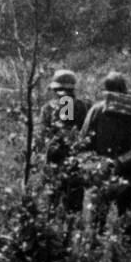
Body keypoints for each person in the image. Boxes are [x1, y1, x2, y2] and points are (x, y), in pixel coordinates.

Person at [79, 72, 131, 251]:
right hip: (127, 167)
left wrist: (91, 164)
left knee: (98, 214)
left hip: (102, 168)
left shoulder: (96, 109)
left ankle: (93, 251)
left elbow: (84, 139)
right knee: (127, 210)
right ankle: (130, 251)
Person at [40, 69, 91, 217]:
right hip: (76, 157)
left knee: (53, 200)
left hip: (59, 157)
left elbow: (64, 129)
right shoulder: (83, 105)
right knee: (72, 203)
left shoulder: (62, 104)